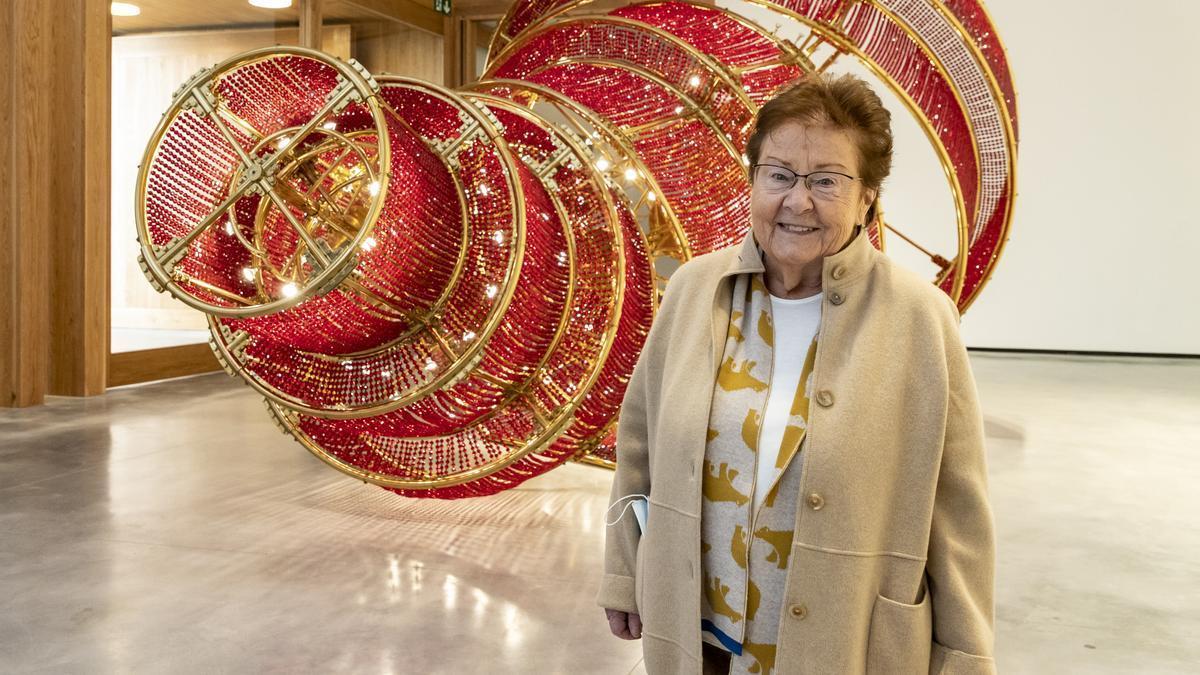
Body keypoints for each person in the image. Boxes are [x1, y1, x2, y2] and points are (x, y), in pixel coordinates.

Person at [597, 73, 996, 675]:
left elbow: (958, 511)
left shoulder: (920, 318)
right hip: (701, 633)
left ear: (867, 198)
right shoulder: (693, 290)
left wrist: (966, 656)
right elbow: (639, 448)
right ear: (754, 180)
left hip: (846, 637)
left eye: (826, 181)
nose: (798, 201)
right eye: (780, 175)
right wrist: (624, 571)